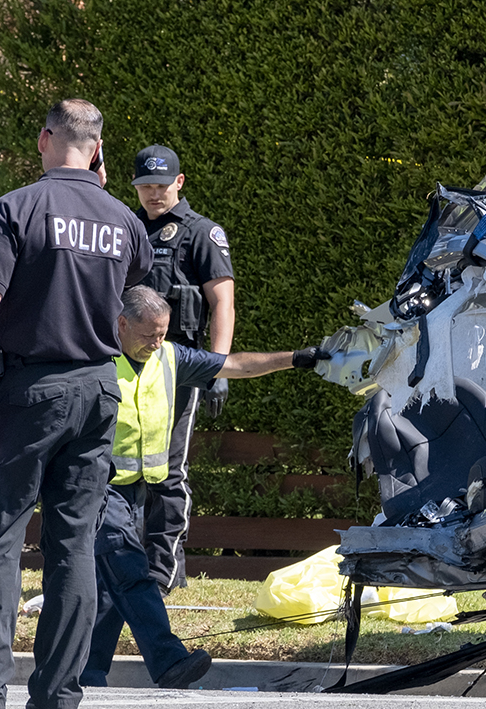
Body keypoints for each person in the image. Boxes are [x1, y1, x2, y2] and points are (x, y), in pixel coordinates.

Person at [0, 99, 151, 709]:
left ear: (47, 137)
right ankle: (58, 694)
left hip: (29, 393)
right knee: (73, 543)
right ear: (98, 148)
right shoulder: (123, 220)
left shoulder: (17, 207)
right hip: (100, 389)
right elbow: (132, 292)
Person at [80, 286, 328, 688]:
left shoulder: (171, 357)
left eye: (163, 333)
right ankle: (169, 661)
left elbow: (236, 365)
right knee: (130, 570)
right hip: (97, 486)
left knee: (112, 586)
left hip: (138, 490)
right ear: (121, 324)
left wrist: (296, 359)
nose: (157, 343)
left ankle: (86, 673)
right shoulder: (93, 358)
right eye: (148, 335)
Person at [131, 144, 235, 593]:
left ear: (179, 182)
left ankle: (164, 570)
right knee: (124, 468)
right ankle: (129, 566)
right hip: (126, 367)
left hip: (178, 367)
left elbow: (222, 303)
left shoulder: (201, 234)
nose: (154, 194)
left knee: (169, 470)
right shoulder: (126, 228)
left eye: (161, 184)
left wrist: (218, 370)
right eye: (145, 186)